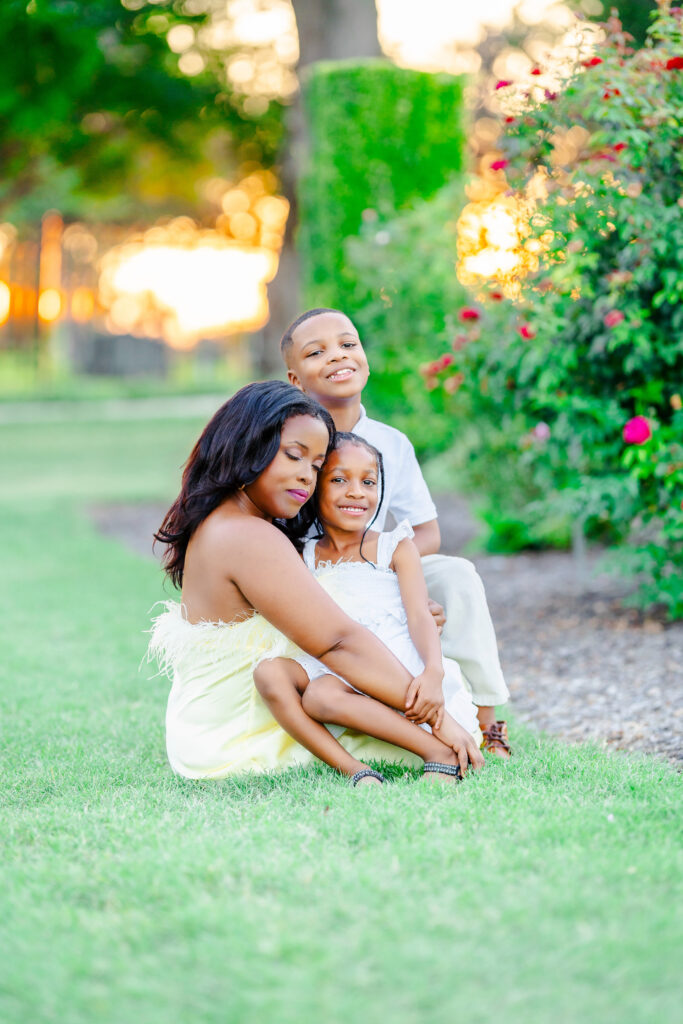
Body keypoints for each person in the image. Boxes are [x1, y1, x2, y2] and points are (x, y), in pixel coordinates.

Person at [148, 380, 484, 785]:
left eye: (316, 466)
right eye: (294, 456)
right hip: (241, 738)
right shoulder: (247, 536)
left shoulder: (228, 520)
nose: (306, 476)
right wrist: (439, 720)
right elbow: (337, 642)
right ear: (247, 447)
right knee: (446, 730)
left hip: (207, 732)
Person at [280, 307, 512, 757]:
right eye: (316, 352)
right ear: (295, 380)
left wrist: (404, 585)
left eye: (348, 344)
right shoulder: (288, 442)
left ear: (364, 359)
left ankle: (488, 723)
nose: (337, 356)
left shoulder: (391, 443)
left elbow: (426, 532)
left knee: (457, 575)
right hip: (311, 571)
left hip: (379, 562)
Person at [253, 432, 483, 768]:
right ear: (315, 487)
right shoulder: (304, 556)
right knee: (299, 687)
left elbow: (420, 615)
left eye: (368, 482)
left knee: (323, 693)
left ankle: (440, 753)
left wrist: (433, 672)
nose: (356, 492)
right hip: (340, 665)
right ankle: (358, 769)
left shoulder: (395, 546)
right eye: (339, 480)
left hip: (395, 665)